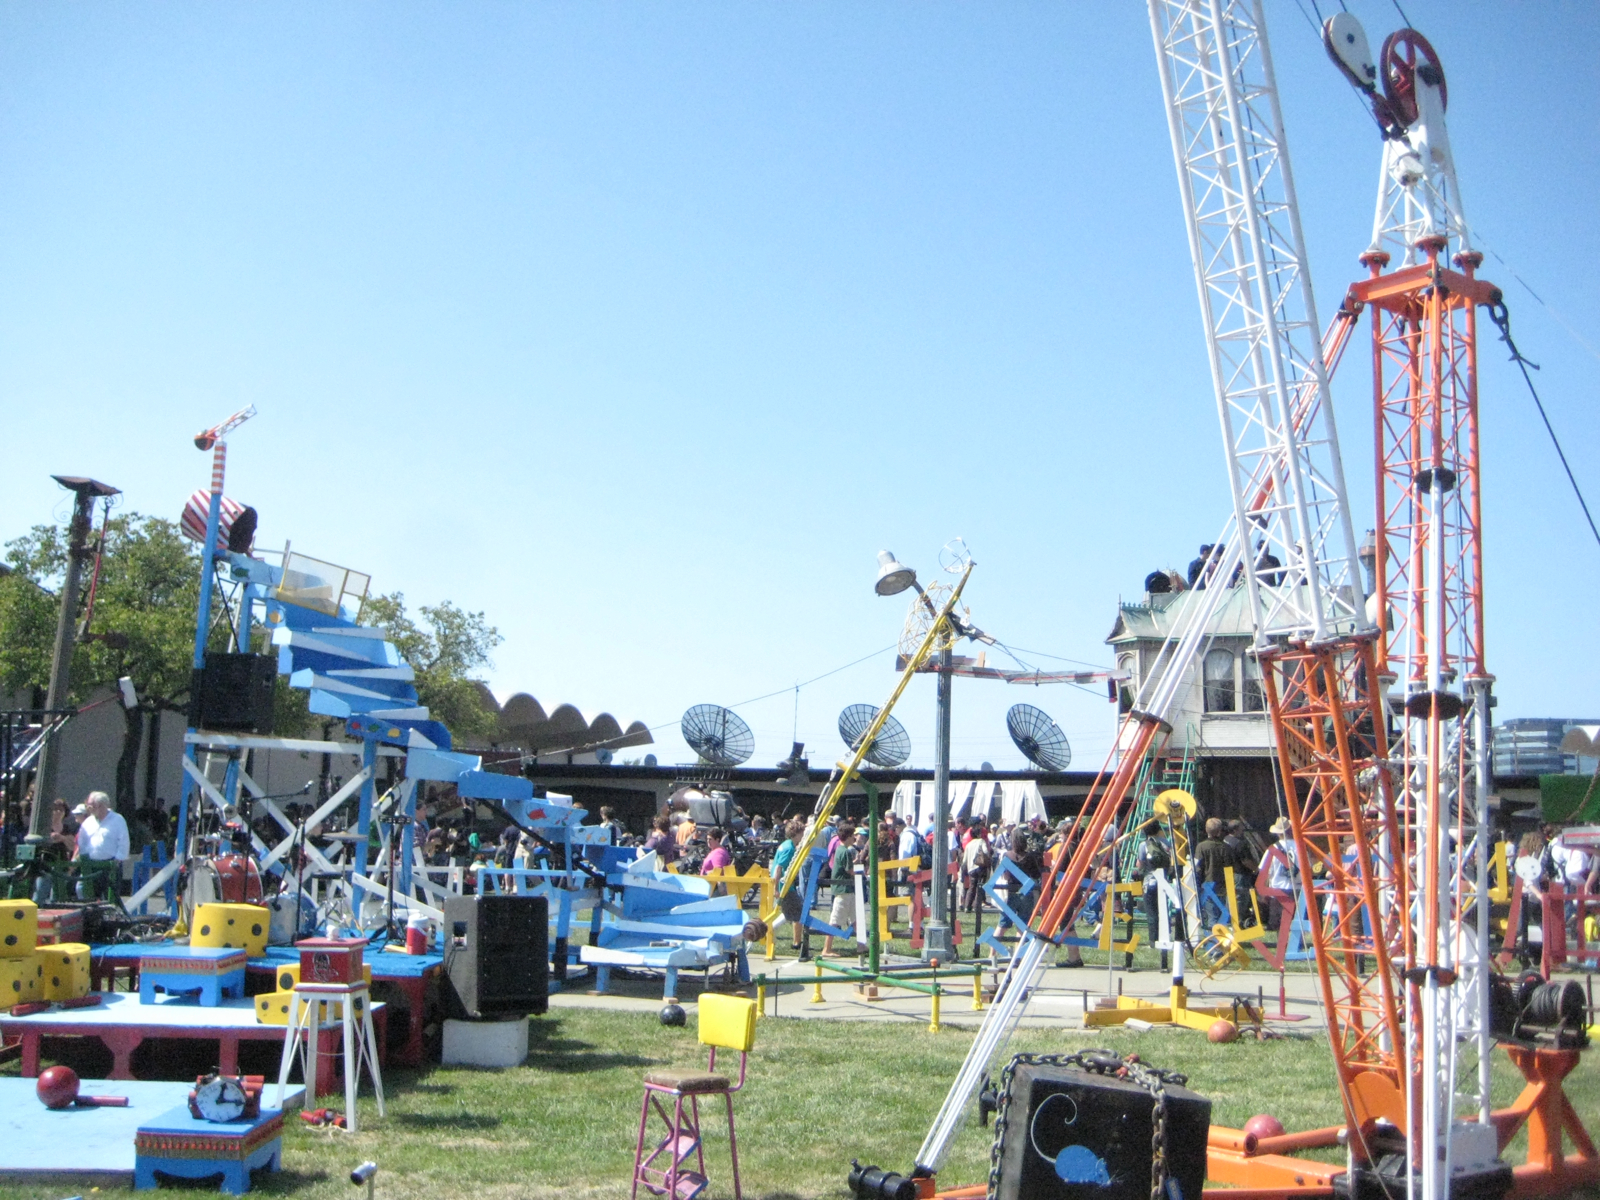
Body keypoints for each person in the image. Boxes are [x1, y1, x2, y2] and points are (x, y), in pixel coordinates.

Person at [74, 791, 129, 901]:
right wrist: (84, 858)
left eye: (91, 805)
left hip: (110, 865)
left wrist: (118, 859)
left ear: (101, 805)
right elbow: (82, 842)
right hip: (91, 865)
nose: (88, 808)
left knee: (110, 897)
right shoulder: (88, 822)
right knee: (82, 889)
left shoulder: (118, 819)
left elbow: (124, 841)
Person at [820, 823, 859, 957]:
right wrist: (861, 872)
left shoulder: (841, 850)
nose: (854, 838)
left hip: (847, 890)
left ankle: (862, 945)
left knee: (855, 917)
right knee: (835, 920)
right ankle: (826, 949)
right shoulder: (845, 851)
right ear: (848, 837)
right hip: (843, 890)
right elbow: (849, 870)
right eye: (853, 835)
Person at [1195, 818, 1230, 928]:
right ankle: (1220, 937)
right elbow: (1229, 867)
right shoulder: (1225, 847)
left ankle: (1213, 940)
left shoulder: (1201, 846)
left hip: (1207, 884)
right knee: (1221, 913)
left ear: (1206, 830)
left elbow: (1198, 867)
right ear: (1220, 831)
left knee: (1211, 915)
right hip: (1222, 885)